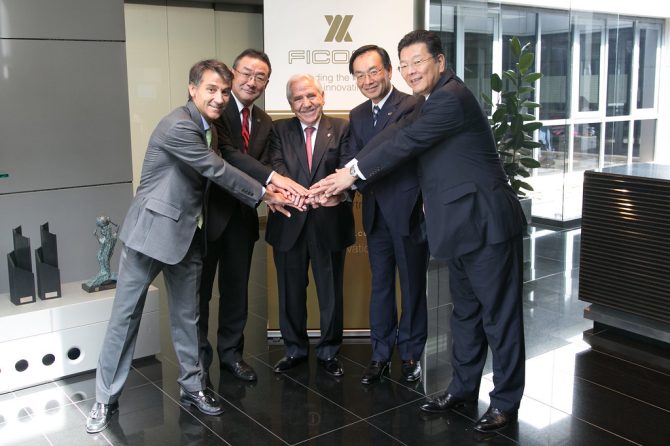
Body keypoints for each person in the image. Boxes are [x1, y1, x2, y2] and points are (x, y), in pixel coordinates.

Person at [311, 30, 526, 432]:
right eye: (405, 64)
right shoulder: (428, 101)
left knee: (500, 318)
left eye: (418, 62)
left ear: (440, 62)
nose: (410, 71)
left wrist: (352, 174)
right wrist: (348, 171)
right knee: (465, 315)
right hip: (458, 225)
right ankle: (463, 389)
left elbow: (406, 142)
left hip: (486, 224)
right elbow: (392, 135)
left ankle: (505, 402)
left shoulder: (450, 97)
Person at [85, 59, 299, 434]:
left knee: (188, 319)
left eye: (224, 92)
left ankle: (193, 387)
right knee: (126, 318)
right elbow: (215, 169)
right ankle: (104, 398)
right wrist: (265, 193)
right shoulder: (179, 125)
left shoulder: (210, 127)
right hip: (151, 234)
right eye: (211, 90)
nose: (219, 98)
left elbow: (224, 165)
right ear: (193, 88)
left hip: (189, 235)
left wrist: (270, 184)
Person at [346, 45, 429, 384]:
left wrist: (356, 174)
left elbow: (400, 154)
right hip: (375, 213)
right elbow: (353, 158)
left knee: (412, 286)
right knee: (380, 285)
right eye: (359, 75)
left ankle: (410, 355)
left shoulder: (412, 105)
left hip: (407, 211)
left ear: (389, 71)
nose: (367, 80)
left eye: (373, 71)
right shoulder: (357, 115)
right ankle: (380, 354)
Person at [266, 73, 354, 377]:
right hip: (289, 220)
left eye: (311, 96)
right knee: (290, 291)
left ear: (322, 96)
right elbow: (275, 166)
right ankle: (294, 349)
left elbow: (348, 168)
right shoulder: (278, 130)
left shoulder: (342, 127)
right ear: (291, 104)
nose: (306, 103)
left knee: (330, 292)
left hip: (328, 221)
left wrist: (332, 193)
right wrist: (294, 194)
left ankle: (329, 352)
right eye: (298, 98)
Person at [198, 49, 275, 383]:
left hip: (242, 220)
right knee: (199, 295)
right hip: (208, 218)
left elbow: (265, 164)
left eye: (260, 77)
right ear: (232, 73)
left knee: (236, 293)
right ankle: (198, 362)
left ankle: (231, 355)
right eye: (246, 73)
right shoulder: (215, 109)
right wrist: (270, 184)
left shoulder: (265, 122)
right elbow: (226, 157)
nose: (251, 82)